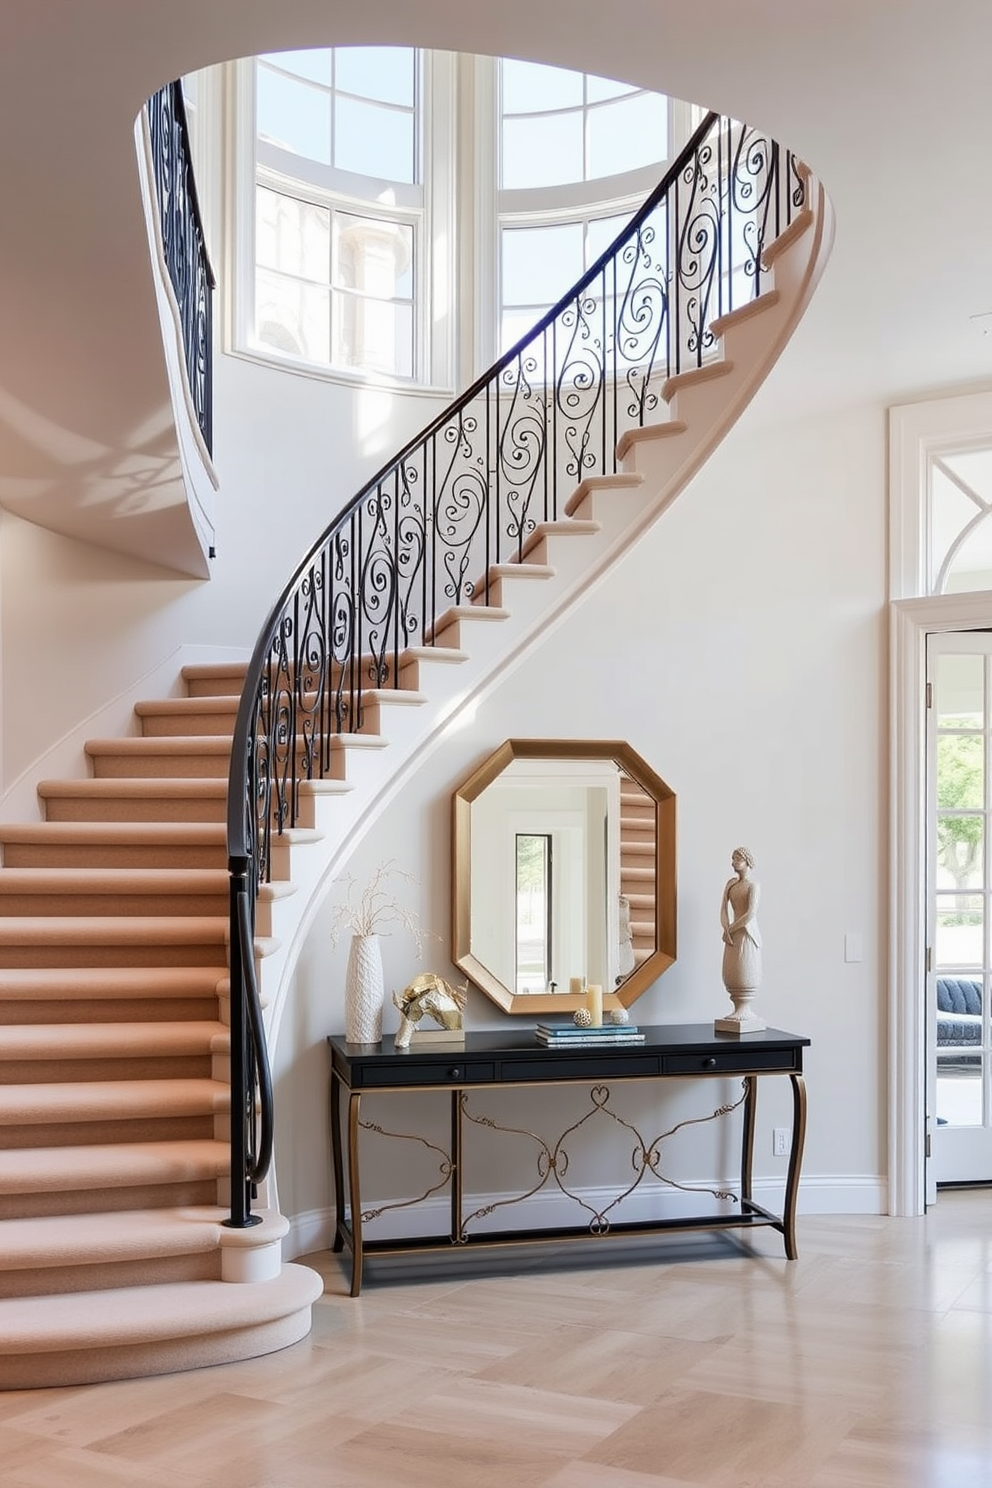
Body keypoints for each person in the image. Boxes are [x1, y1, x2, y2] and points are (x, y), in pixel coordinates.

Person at [720, 846, 762, 993]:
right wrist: (726, 928)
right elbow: (723, 908)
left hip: (747, 933)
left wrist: (731, 929)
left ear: (747, 861)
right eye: (733, 859)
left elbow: (750, 914)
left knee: (746, 973)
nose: (733, 862)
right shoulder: (731, 884)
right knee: (732, 973)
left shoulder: (753, 886)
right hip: (732, 936)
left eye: (737, 859)